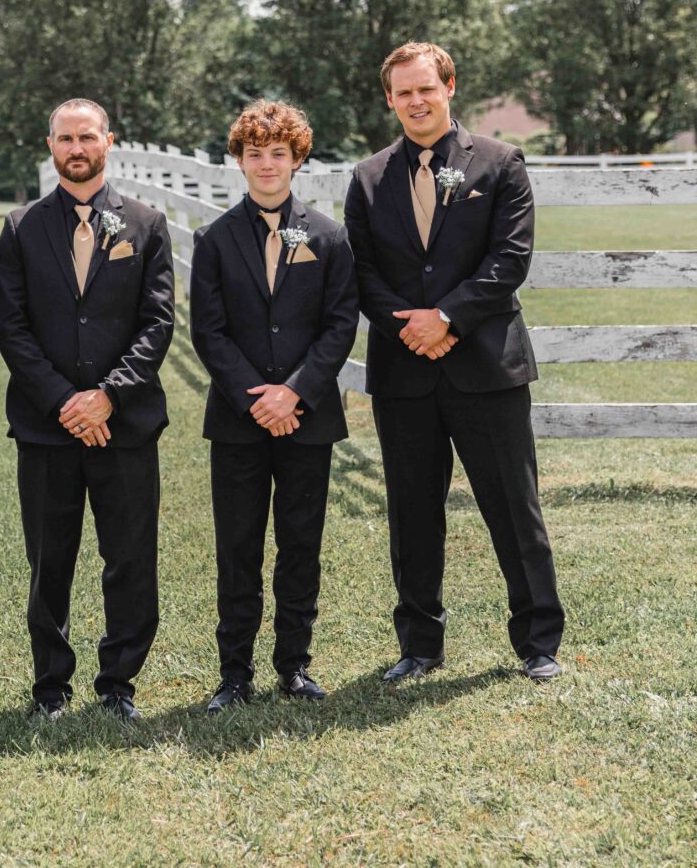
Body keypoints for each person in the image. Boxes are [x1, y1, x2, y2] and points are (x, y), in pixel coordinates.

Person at [344, 41, 565, 683]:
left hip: (486, 367)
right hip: (404, 372)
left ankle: (538, 641)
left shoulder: (499, 163)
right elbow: (361, 270)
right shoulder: (368, 177)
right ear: (390, 99)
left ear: (449, 87)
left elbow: (509, 258)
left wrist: (445, 318)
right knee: (412, 512)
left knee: (513, 506)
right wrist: (410, 328)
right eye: (403, 92)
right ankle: (420, 644)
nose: (416, 101)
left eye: (426, 88)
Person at [0, 97, 174, 721]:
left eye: (88, 137)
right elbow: (11, 326)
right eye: (66, 138)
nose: (77, 148)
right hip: (47, 426)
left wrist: (107, 396)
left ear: (108, 142)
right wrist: (64, 401)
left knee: (130, 558)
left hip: (125, 423)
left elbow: (156, 323)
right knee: (49, 560)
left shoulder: (146, 224)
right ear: (51, 146)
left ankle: (118, 682)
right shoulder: (20, 227)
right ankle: (51, 686)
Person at [189, 101, 358, 713]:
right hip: (239, 421)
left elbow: (339, 325)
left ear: (297, 160)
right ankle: (234, 674)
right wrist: (256, 399)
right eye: (255, 154)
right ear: (239, 161)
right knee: (238, 548)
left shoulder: (329, 237)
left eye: (278, 154)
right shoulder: (214, 240)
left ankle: (294, 664)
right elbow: (208, 331)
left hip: (307, 418)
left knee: (300, 543)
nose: (266, 165)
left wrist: (295, 392)